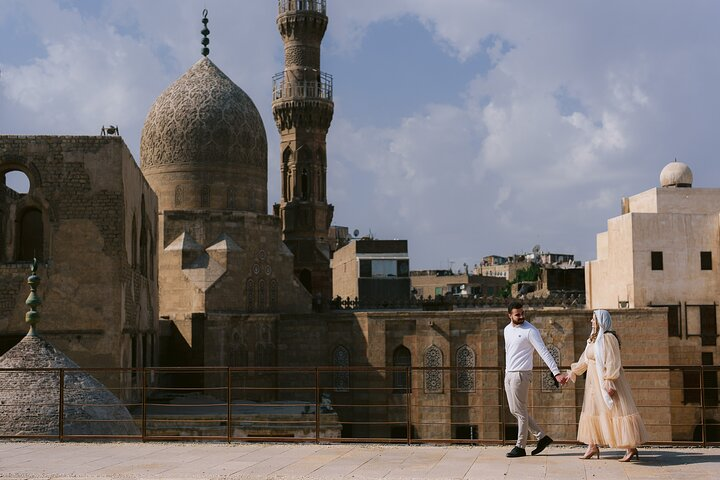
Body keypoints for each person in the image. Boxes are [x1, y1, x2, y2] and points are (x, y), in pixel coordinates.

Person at [562, 309, 648, 461]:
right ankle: (592, 446)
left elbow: (612, 361)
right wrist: (572, 372)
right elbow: (585, 359)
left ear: (601, 321)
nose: (591, 321)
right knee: (593, 411)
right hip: (593, 383)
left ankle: (631, 448)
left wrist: (609, 380)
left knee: (616, 410)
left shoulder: (608, 338)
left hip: (606, 381)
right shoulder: (593, 339)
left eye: (594, 319)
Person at [503, 301, 567, 458]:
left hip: (522, 374)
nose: (521, 316)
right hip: (509, 373)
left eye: (522, 313)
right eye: (517, 314)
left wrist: (556, 373)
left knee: (521, 411)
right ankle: (542, 437)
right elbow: (509, 352)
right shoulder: (506, 329)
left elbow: (544, 352)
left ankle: (520, 446)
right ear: (509, 315)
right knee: (514, 410)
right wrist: (507, 372)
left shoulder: (530, 331)